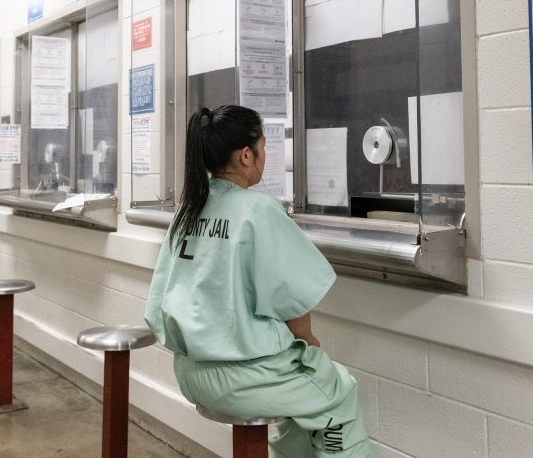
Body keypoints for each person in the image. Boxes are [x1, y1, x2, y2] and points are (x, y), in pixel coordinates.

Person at [144, 105, 372, 457]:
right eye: (264, 147)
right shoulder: (257, 210)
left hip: (189, 371)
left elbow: (160, 298)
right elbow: (293, 302)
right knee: (338, 394)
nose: (266, 155)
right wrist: (311, 346)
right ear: (247, 155)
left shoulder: (188, 210)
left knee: (303, 408)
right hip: (241, 377)